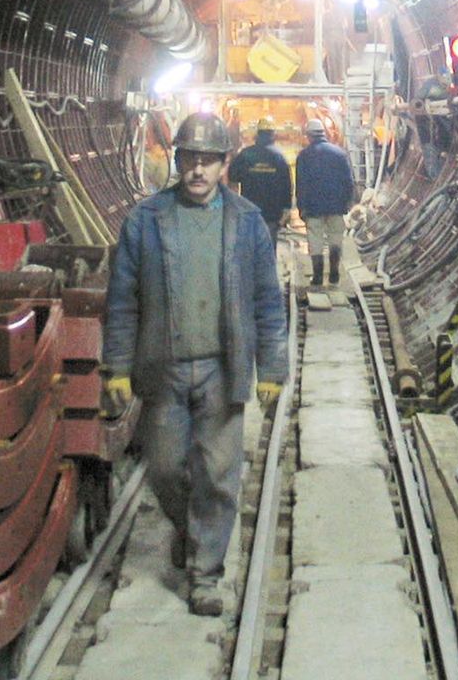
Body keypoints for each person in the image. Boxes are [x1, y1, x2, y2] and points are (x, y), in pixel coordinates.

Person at [102, 111, 288, 616]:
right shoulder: (145, 220)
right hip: (163, 368)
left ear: (226, 164)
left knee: (219, 474)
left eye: (209, 160)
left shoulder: (247, 221)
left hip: (221, 369)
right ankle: (190, 531)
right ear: (177, 161)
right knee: (164, 469)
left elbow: (269, 302)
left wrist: (272, 369)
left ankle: (206, 573)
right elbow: (122, 300)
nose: (199, 170)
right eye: (190, 159)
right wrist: (115, 366)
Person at [294, 117, 355, 287]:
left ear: (308, 136)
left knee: (315, 240)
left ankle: (318, 276)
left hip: (313, 207)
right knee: (336, 239)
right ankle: (334, 273)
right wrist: (347, 203)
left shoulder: (304, 156)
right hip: (336, 206)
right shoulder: (340, 154)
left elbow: (301, 184)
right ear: (324, 133)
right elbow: (349, 182)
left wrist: (301, 207)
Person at [227, 115, 293, 246]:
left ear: (257, 134)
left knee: (249, 249)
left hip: (249, 211)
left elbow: (233, 178)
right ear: (273, 135)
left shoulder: (245, 154)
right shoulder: (279, 157)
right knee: (268, 248)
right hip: (272, 213)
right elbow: (287, 186)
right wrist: (286, 209)